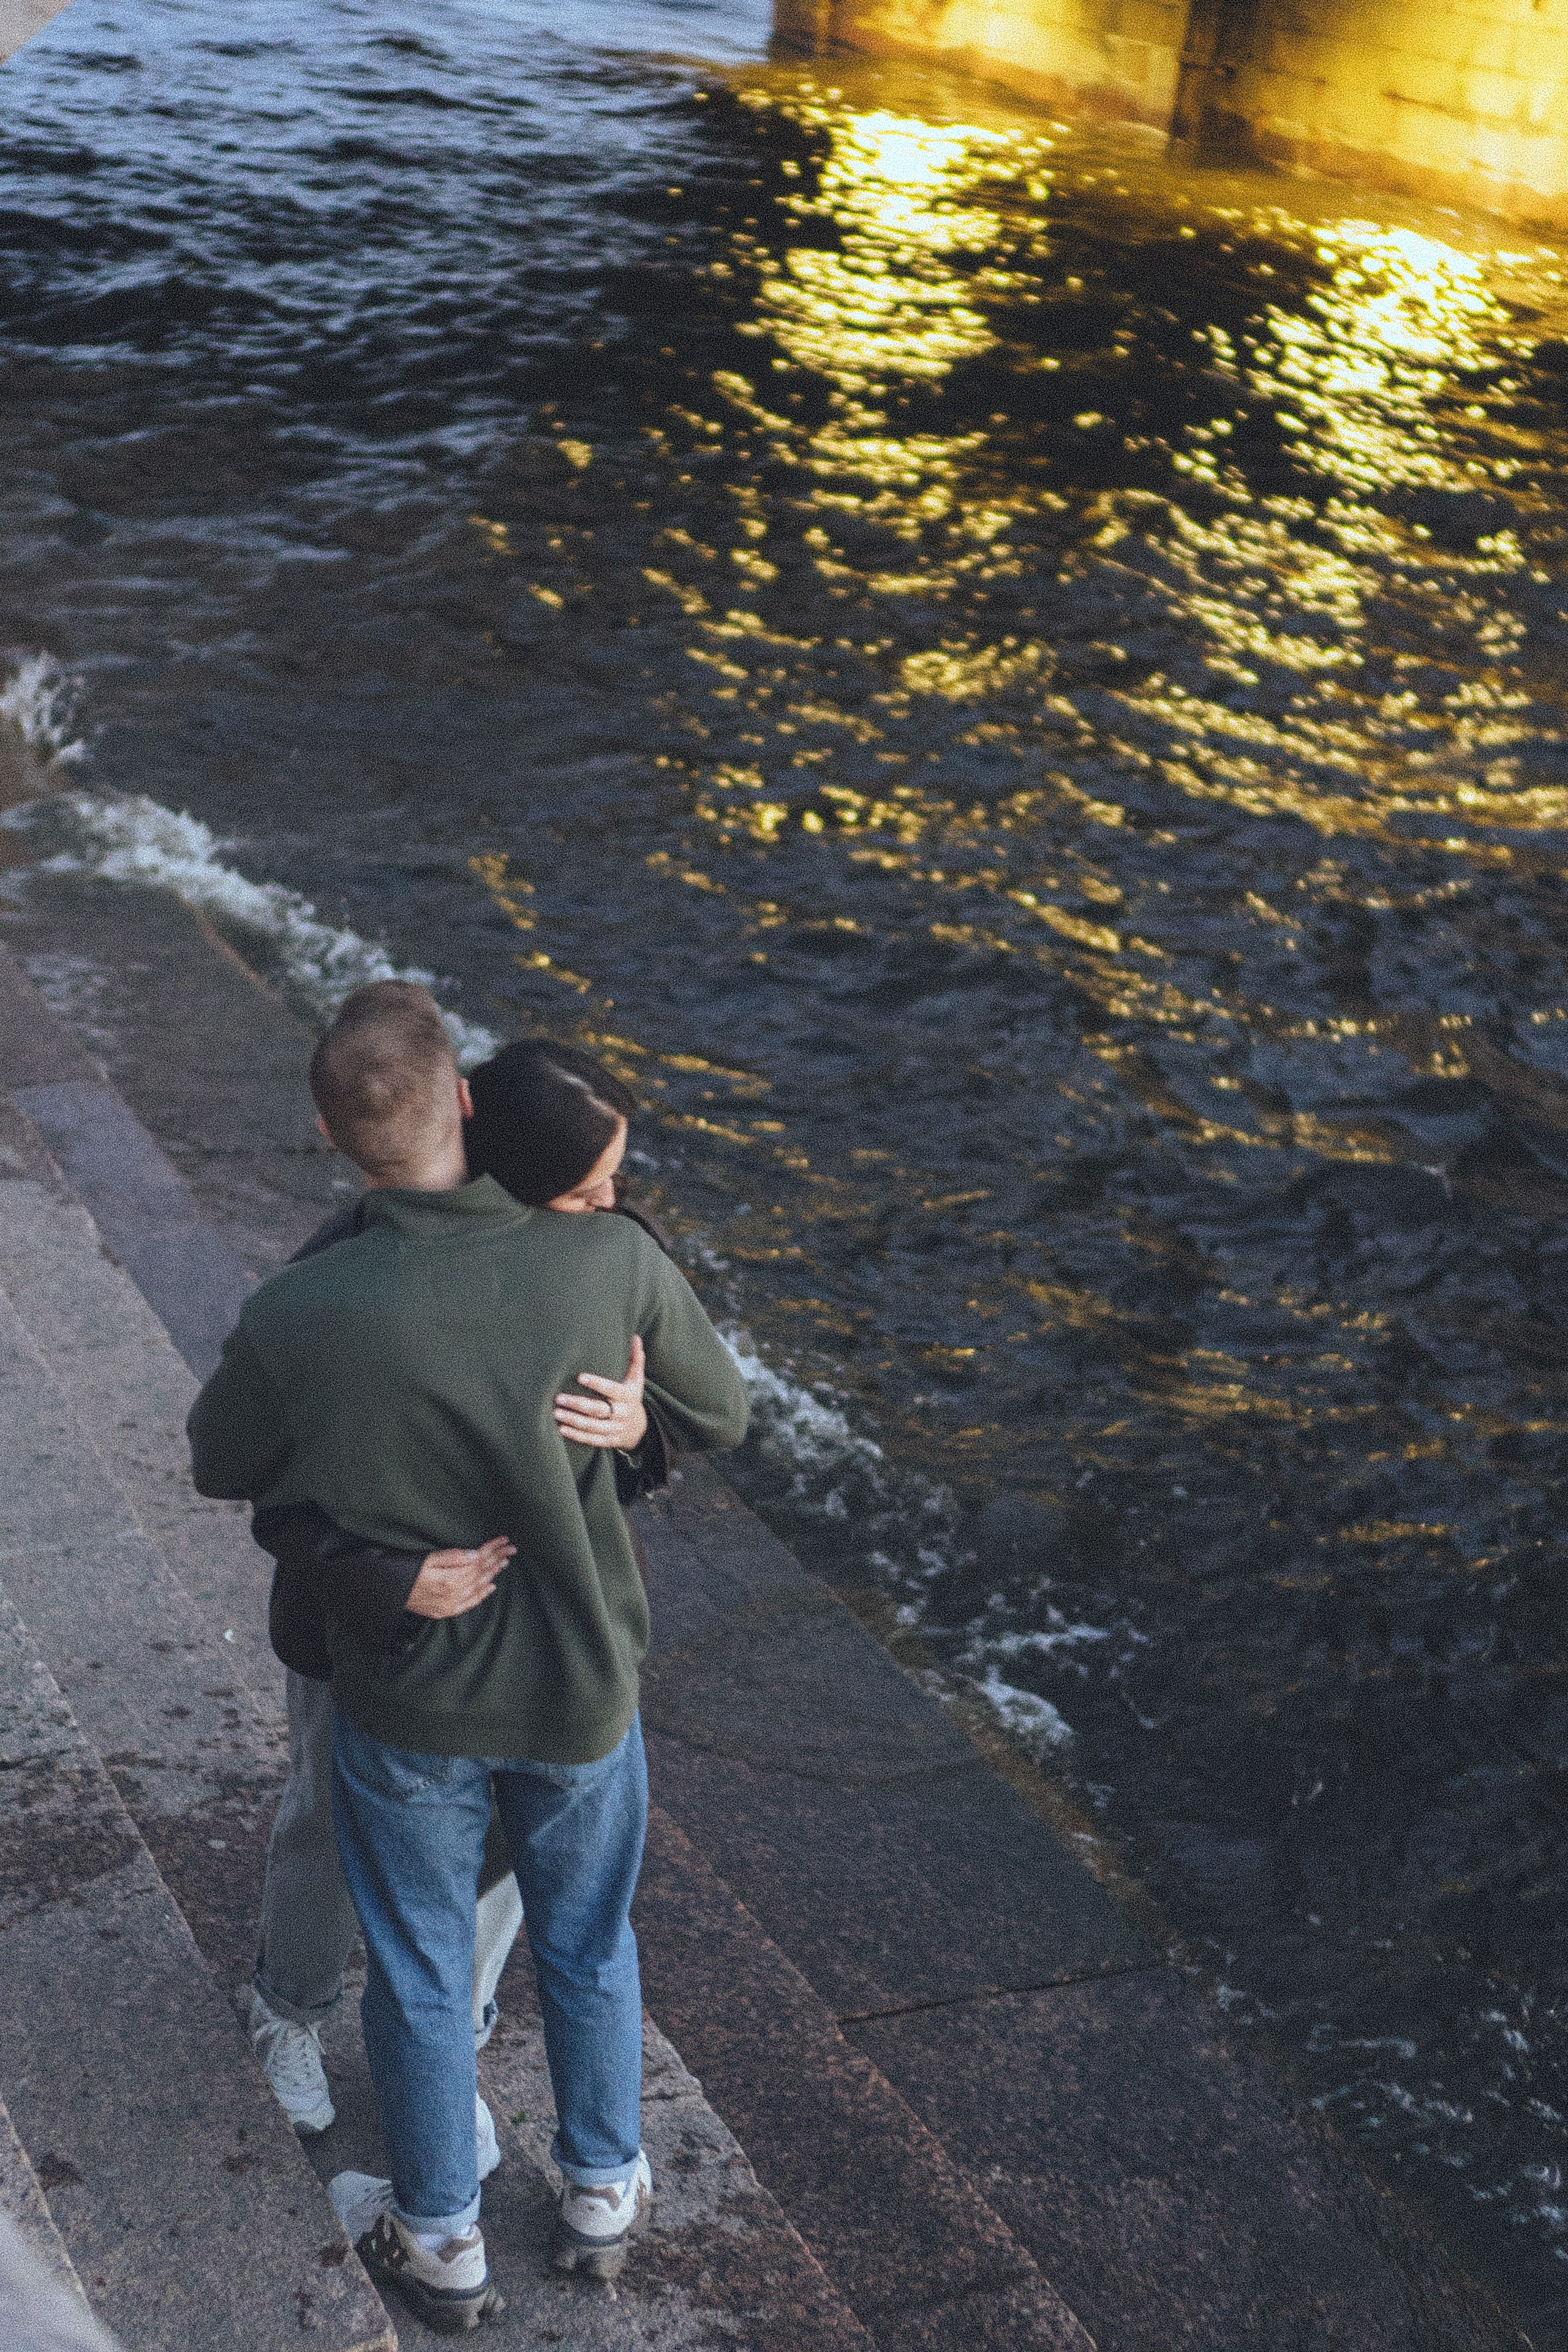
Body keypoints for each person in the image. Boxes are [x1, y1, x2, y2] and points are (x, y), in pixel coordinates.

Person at [188, 984, 748, 2330]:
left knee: (422, 1968)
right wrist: (636, 1426)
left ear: (333, 1137)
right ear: (465, 1100)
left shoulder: (301, 1310)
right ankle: (603, 2188)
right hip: (579, 1687)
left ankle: (439, 2234)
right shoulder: (608, 1262)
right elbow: (722, 1410)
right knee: (588, 1942)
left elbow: (221, 1460)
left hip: (412, 1699)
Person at [236, 1030, 669, 2165]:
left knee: (503, 1858)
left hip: (541, 1618)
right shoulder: (356, 1256)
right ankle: (289, 2008)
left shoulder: (602, 1246)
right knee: (327, 1820)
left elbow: (671, 1383)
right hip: (374, 1627)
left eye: (613, 1185)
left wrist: (641, 1426)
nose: (611, 1207)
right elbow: (267, 1471)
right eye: (590, 1189)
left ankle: (447, 2047)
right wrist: (388, 1579)